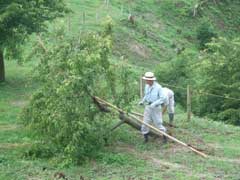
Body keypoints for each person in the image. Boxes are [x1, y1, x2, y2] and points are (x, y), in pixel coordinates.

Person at [139, 72, 167, 143]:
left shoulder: (158, 87)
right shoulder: (147, 86)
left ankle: (165, 138)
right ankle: (146, 139)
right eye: (145, 79)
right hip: (148, 107)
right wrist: (142, 101)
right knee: (145, 123)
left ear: (151, 80)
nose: (146, 81)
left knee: (158, 123)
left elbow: (162, 98)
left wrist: (154, 103)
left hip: (156, 108)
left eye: (147, 80)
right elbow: (146, 95)